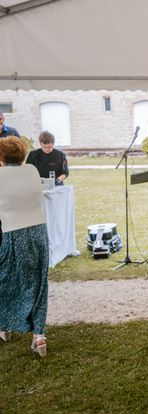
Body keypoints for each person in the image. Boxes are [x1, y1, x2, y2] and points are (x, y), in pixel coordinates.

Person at [0, 137, 48, 356]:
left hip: (13, 233)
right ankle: (38, 335)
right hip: (38, 232)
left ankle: (4, 326)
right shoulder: (31, 171)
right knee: (38, 282)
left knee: (7, 279)